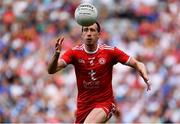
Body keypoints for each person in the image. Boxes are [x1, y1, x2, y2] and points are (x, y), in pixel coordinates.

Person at [47, 22, 151, 123]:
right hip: (83, 105)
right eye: (86, 30)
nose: (89, 33)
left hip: (105, 103)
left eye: (92, 30)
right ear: (82, 34)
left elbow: (138, 64)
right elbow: (51, 70)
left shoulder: (110, 52)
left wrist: (145, 75)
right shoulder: (74, 52)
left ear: (98, 35)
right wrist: (56, 54)